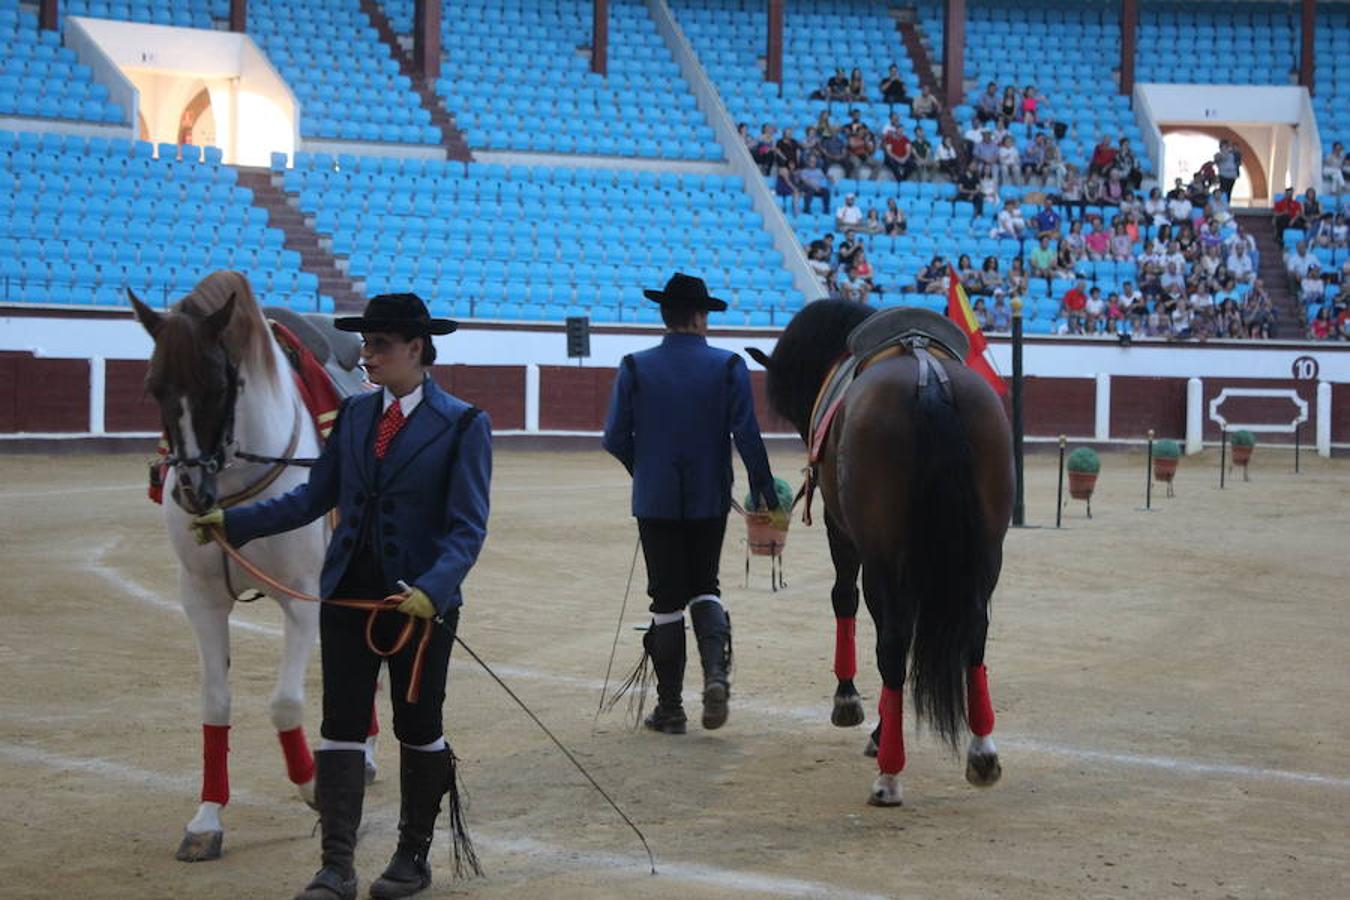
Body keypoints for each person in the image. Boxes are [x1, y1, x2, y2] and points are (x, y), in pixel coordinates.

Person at [190, 294, 491, 900]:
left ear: (416, 348)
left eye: (379, 344)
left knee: (418, 726)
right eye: (367, 343)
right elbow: (310, 499)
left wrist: (434, 590)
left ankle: (412, 857)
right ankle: (337, 866)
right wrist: (234, 522)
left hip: (419, 607)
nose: (367, 354)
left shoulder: (463, 423)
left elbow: (467, 526)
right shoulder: (353, 418)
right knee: (341, 727)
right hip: (349, 596)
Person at [603, 273, 779, 735]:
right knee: (705, 585)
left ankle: (670, 708)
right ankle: (716, 676)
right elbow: (746, 434)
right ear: (701, 317)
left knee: (665, 599)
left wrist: (642, 471)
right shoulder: (727, 366)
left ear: (665, 315)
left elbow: (614, 437)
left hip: (655, 497)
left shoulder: (635, 365)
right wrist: (762, 487)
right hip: (708, 495)